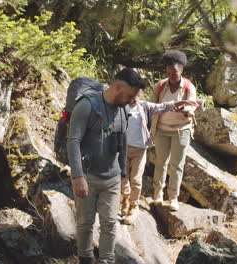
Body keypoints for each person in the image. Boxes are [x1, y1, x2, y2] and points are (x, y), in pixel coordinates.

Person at [67, 68, 146, 264]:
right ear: (118, 87)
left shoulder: (124, 110)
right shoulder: (87, 105)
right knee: (85, 223)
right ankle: (85, 259)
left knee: (110, 224)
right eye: (130, 95)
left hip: (112, 177)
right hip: (87, 175)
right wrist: (78, 177)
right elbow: (73, 140)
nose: (132, 100)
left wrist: (123, 174)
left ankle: (106, 261)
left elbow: (123, 142)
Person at [121, 98, 198, 224]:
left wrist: (180, 103)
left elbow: (162, 106)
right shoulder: (121, 105)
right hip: (123, 148)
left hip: (140, 149)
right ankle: (125, 198)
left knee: (136, 180)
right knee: (123, 177)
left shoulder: (144, 106)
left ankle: (133, 206)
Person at [150, 50, 197, 212]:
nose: (172, 75)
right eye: (169, 72)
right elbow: (152, 106)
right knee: (161, 162)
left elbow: (192, 105)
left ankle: (173, 197)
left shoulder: (188, 87)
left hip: (181, 131)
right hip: (161, 130)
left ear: (182, 70)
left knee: (177, 165)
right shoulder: (161, 86)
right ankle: (157, 194)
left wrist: (187, 110)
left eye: (175, 72)